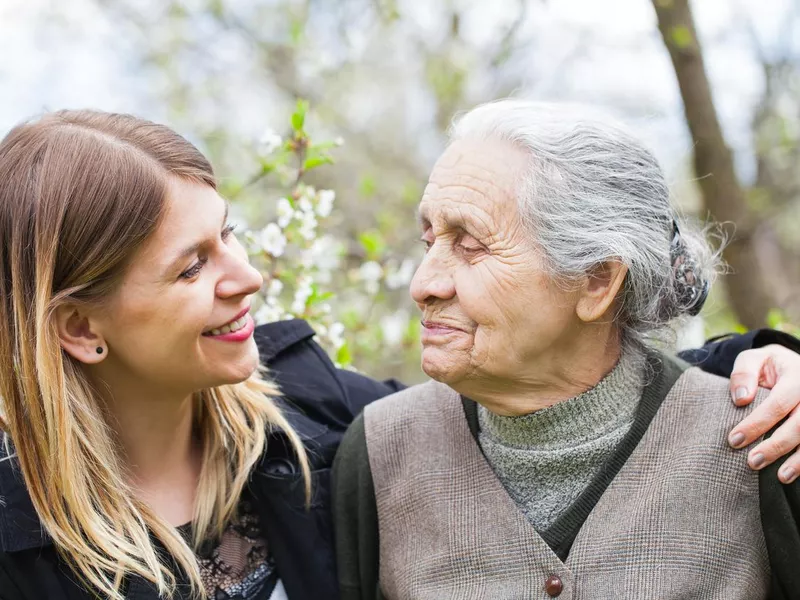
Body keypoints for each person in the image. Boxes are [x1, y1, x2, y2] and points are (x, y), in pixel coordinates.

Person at [0, 109, 796, 600]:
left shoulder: (313, 419)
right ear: (79, 328)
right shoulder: (18, 539)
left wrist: (762, 364)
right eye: (190, 266)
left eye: (229, 236)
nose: (248, 278)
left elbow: (584, 394)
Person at [332, 100, 800, 600]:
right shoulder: (381, 452)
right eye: (430, 241)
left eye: (470, 245)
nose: (423, 284)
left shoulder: (767, 439)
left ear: (597, 280)